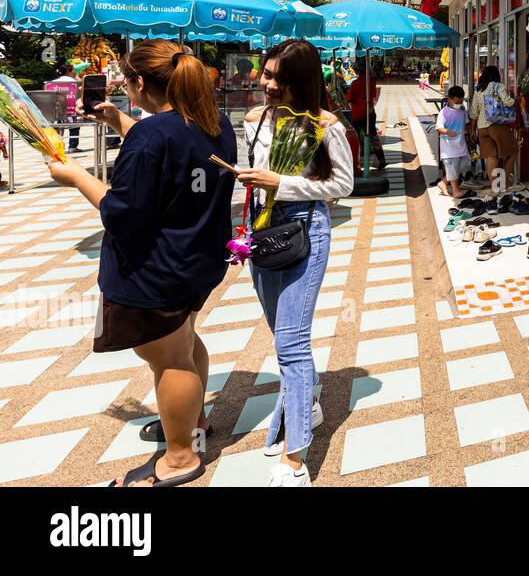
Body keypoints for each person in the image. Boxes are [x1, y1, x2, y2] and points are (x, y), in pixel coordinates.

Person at [43, 40, 236, 487]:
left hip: (155, 268)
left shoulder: (153, 135)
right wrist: (118, 119)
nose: (120, 88)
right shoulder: (212, 122)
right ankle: (193, 424)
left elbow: (120, 213)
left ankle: (180, 457)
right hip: (197, 259)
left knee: (168, 359)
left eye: (124, 82)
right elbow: (168, 146)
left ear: (141, 83)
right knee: (183, 341)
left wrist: (75, 176)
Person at [239, 39, 354, 487]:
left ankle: (295, 460)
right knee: (280, 335)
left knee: (290, 342)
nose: (264, 83)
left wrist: (281, 183)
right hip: (260, 232)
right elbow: (254, 173)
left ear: (299, 82)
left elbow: (342, 184)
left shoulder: (327, 126)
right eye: (264, 74)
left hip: (306, 231)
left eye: (274, 78)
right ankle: (306, 404)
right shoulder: (256, 120)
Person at [469, 65, 518, 190]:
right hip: (496, 125)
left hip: (481, 128)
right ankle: (505, 182)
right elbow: (508, 102)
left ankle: (495, 186)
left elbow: (473, 113)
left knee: (491, 157)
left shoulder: (478, 91)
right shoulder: (498, 86)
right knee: (513, 150)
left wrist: (472, 130)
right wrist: (517, 100)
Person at [433, 85, 470, 198]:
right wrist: (449, 132)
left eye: (461, 100)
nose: (459, 103)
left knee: (463, 164)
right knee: (452, 168)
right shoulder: (444, 112)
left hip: (461, 145)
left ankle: (443, 183)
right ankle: (456, 191)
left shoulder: (462, 110)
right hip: (449, 147)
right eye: (457, 101)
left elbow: (466, 123)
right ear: (450, 99)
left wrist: (468, 133)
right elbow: (439, 128)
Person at [346, 65, 384, 170]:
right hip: (370, 112)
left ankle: (353, 161)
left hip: (359, 114)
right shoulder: (371, 82)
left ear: (358, 71)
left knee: (354, 137)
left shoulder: (355, 83)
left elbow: (350, 99)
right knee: (373, 136)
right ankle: (381, 159)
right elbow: (373, 95)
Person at [45, 63, 81, 151]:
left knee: (57, 128)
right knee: (74, 127)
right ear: (68, 71)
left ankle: (56, 147)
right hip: (71, 109)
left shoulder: (52, 83)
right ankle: (73, 146)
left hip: (56, 110)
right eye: (73, 70)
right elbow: (80, 94)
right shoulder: (74, 82)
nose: (75, 72)